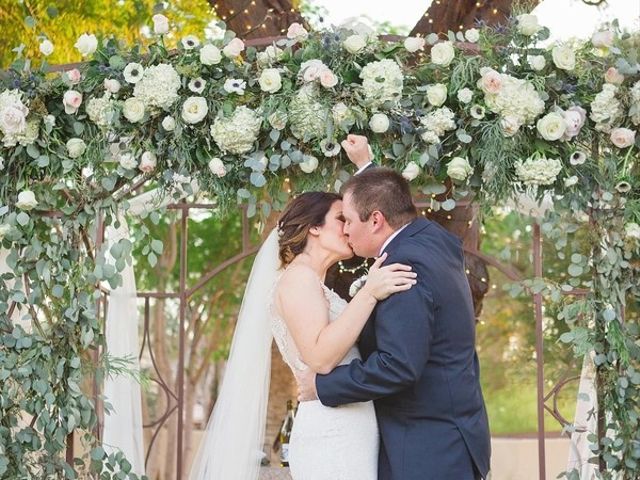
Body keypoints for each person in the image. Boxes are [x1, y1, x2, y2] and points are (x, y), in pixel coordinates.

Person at [297, 135, 492, 480]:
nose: (346, 232)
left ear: (375, 221)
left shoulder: (403, 269)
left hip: (426, 452)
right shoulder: (433, 240)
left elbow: (399, 366)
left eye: (350, 222)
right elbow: (392, 203)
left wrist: (322, 387)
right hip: (454, 436)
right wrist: (368, 170)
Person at [189, 188, 417, 479]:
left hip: (347, 426)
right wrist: (369, 293)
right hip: (332, 433)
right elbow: (320, 358)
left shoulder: (314, 282)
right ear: (314, 227)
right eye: (340, 219)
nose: (349, 228)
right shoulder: (298, 278)